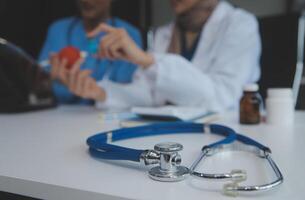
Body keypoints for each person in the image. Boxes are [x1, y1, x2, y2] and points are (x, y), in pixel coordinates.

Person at [72, 0, 262, 112]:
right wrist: (101, 93)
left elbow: (222, 98)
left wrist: (149, 61)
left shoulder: (240, 24)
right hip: (172, 137)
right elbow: (150, 95)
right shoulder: (164, 34)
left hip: (225, 140)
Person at [39, 0, 146, 106]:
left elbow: (134, 91)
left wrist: (99, 91)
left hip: (106, 116)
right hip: (59, 116)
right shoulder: (58, 31)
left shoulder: (128, 36)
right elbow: (39, 81)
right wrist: (52, 81)